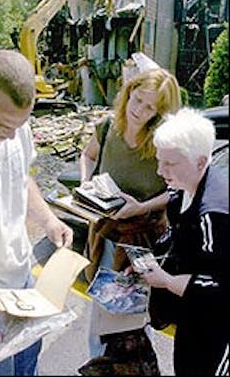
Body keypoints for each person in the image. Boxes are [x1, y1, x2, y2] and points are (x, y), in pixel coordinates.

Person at [79, 68, 181, 367]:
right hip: (105, 235)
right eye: (137, 100)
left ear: (160, 111)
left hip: (145, 241)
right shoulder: (108, 126)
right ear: (128, 94)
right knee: (101, 316)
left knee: (132, 322)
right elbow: (88, 155)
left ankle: (127, 367)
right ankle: (100, 367)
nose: (139, 110)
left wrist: (141, 206)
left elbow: (178, 191)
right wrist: (87, 182)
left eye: (150, 107)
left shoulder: (165, 140)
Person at [0, 49, 73, 376]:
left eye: (18, 124)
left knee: (27, 368)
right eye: (0, 123)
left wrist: (47, 219)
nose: (9, 133)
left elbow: (22, 180)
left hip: (21, 283)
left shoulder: (17, 127)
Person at [133, 107, 229, 376]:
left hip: (219, 331)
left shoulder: (215, 215)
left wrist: (164, 280)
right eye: (159, 160)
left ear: (200, 162)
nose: (160, 171)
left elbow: (222, 286)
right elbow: (180, 245)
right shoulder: (180, 193)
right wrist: (149, 265)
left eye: (170, 164)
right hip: (192, 318)